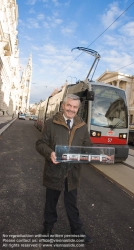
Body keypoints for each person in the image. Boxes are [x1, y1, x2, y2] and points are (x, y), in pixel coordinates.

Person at [36, 94, 93, 244]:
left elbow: (88, 146)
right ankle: (47, 229)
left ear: (78, 108)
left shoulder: (82, 126)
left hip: (72, 173)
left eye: (75, 107)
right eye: (69, 106)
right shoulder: (50, 123)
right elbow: (40, 144)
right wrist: (50, 153)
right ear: (63, 105)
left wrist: (90, 154)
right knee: (50, 203)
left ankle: (77, 231)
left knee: (72, 205)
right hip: (54, 172)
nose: (71, 109)